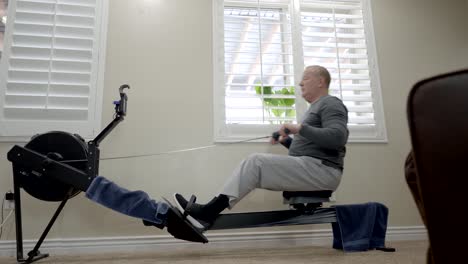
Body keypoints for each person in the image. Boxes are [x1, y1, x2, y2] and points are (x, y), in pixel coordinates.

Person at [174, 65, 349, 229]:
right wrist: (285, 141)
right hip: (314, 167)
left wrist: (299, 128)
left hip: (325, 171)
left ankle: (207, 213)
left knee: (255, 162)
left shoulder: (331, 103)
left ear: (321, 82)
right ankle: (207, 212)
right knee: (255, 165)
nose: (300, 83)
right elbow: (311, 148)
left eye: (306, 78)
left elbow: (338, 138)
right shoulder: (314, 108)